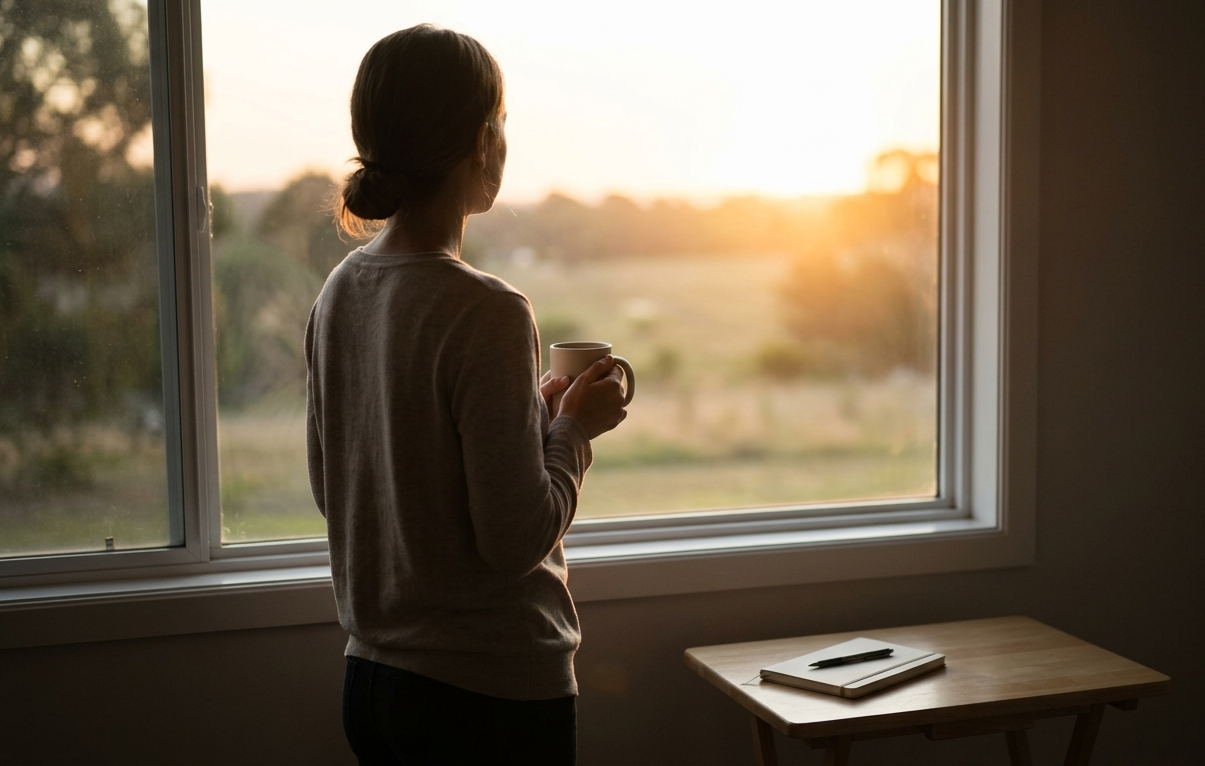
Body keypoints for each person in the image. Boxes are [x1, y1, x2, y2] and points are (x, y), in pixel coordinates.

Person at [304, 24, 628, 766]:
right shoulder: (487, 309)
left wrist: (529, 424)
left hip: (372, 687)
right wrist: (574, 432)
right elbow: (515, 537)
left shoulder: (341, 290)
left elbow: (341, 488)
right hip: (488, 700)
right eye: (501, 121)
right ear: (483, 144)